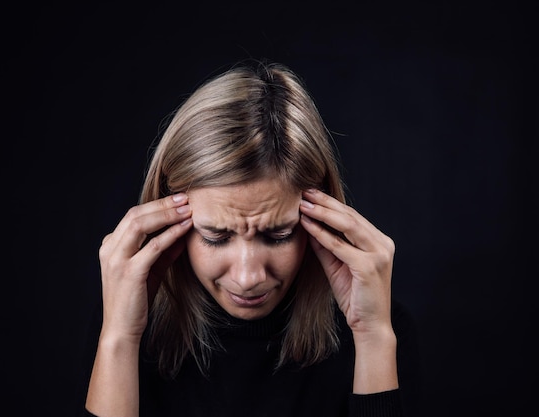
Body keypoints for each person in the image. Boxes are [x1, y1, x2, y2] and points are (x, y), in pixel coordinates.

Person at [83, 60, 422, 417]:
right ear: (169, 218)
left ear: (318, 215)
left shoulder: (381, 329)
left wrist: (372, 336)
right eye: (215, 236)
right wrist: (119, 338)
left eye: (278, 235)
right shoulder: (126, 322)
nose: (248, 278)